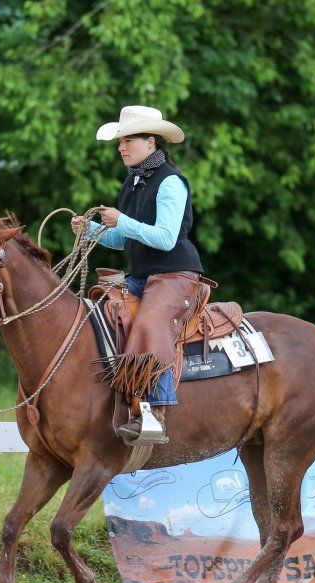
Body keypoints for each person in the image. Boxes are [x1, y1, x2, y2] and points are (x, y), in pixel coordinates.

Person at [71, 105, 205, 445]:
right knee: (98, 315)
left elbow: (165, 237)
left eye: (128, 139)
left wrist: (123, 221)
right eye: (120, 141)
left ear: (151, 141)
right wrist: (91, 231)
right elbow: (122, 238)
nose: (121, 147)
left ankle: (155, 411)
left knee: (149, 322)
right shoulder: (132, 182)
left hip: (176, 275)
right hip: (142, 275)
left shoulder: (171, 182)